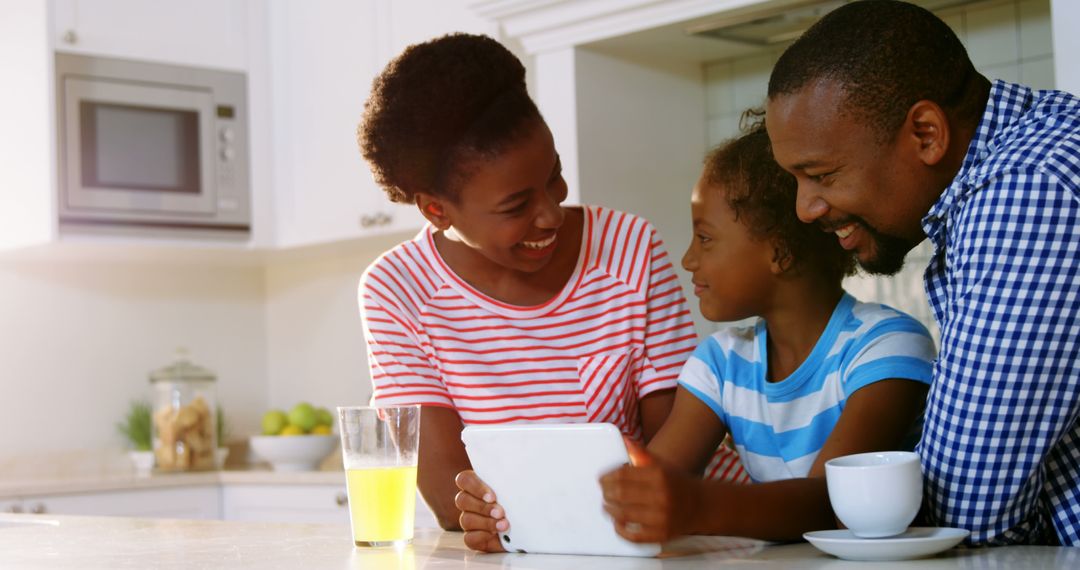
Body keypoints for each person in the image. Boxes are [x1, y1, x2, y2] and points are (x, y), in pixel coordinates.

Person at [457, 120, 937, 548]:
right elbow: (650, 482)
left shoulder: (885, 347)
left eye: (704, 238)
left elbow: (832, 506)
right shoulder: (722, 363)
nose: (688, 259)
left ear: (781, 253)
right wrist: (513, 517)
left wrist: (699, 507)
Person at [355, 33, 745, 531]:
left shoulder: (629, 247)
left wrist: (527, 512)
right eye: (516, 206)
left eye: (554, 177)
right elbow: (448, 492)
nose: (550, 215)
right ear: (436, 209)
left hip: (682, 540)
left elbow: (677, 454)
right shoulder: (395, 290)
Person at [764, 0, 1080, 546]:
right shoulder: (1036, 155)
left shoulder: (1029, 191)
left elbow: (964, 511)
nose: (804, 209)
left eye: (822, 175)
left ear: (927, 134)